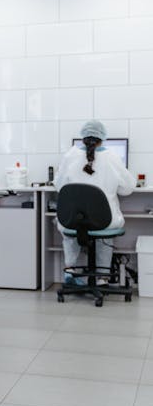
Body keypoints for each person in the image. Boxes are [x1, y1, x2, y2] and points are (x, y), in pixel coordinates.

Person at [55, 120, 135, 284]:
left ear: (83, 137)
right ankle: (102, 277)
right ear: (102, 138)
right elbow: (128, 188)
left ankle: (70, 269)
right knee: (104, 236)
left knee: (71, 224)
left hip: (74, 219)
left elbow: (59, 187)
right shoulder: (112, 157)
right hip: (105, 221)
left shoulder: (70, 156)